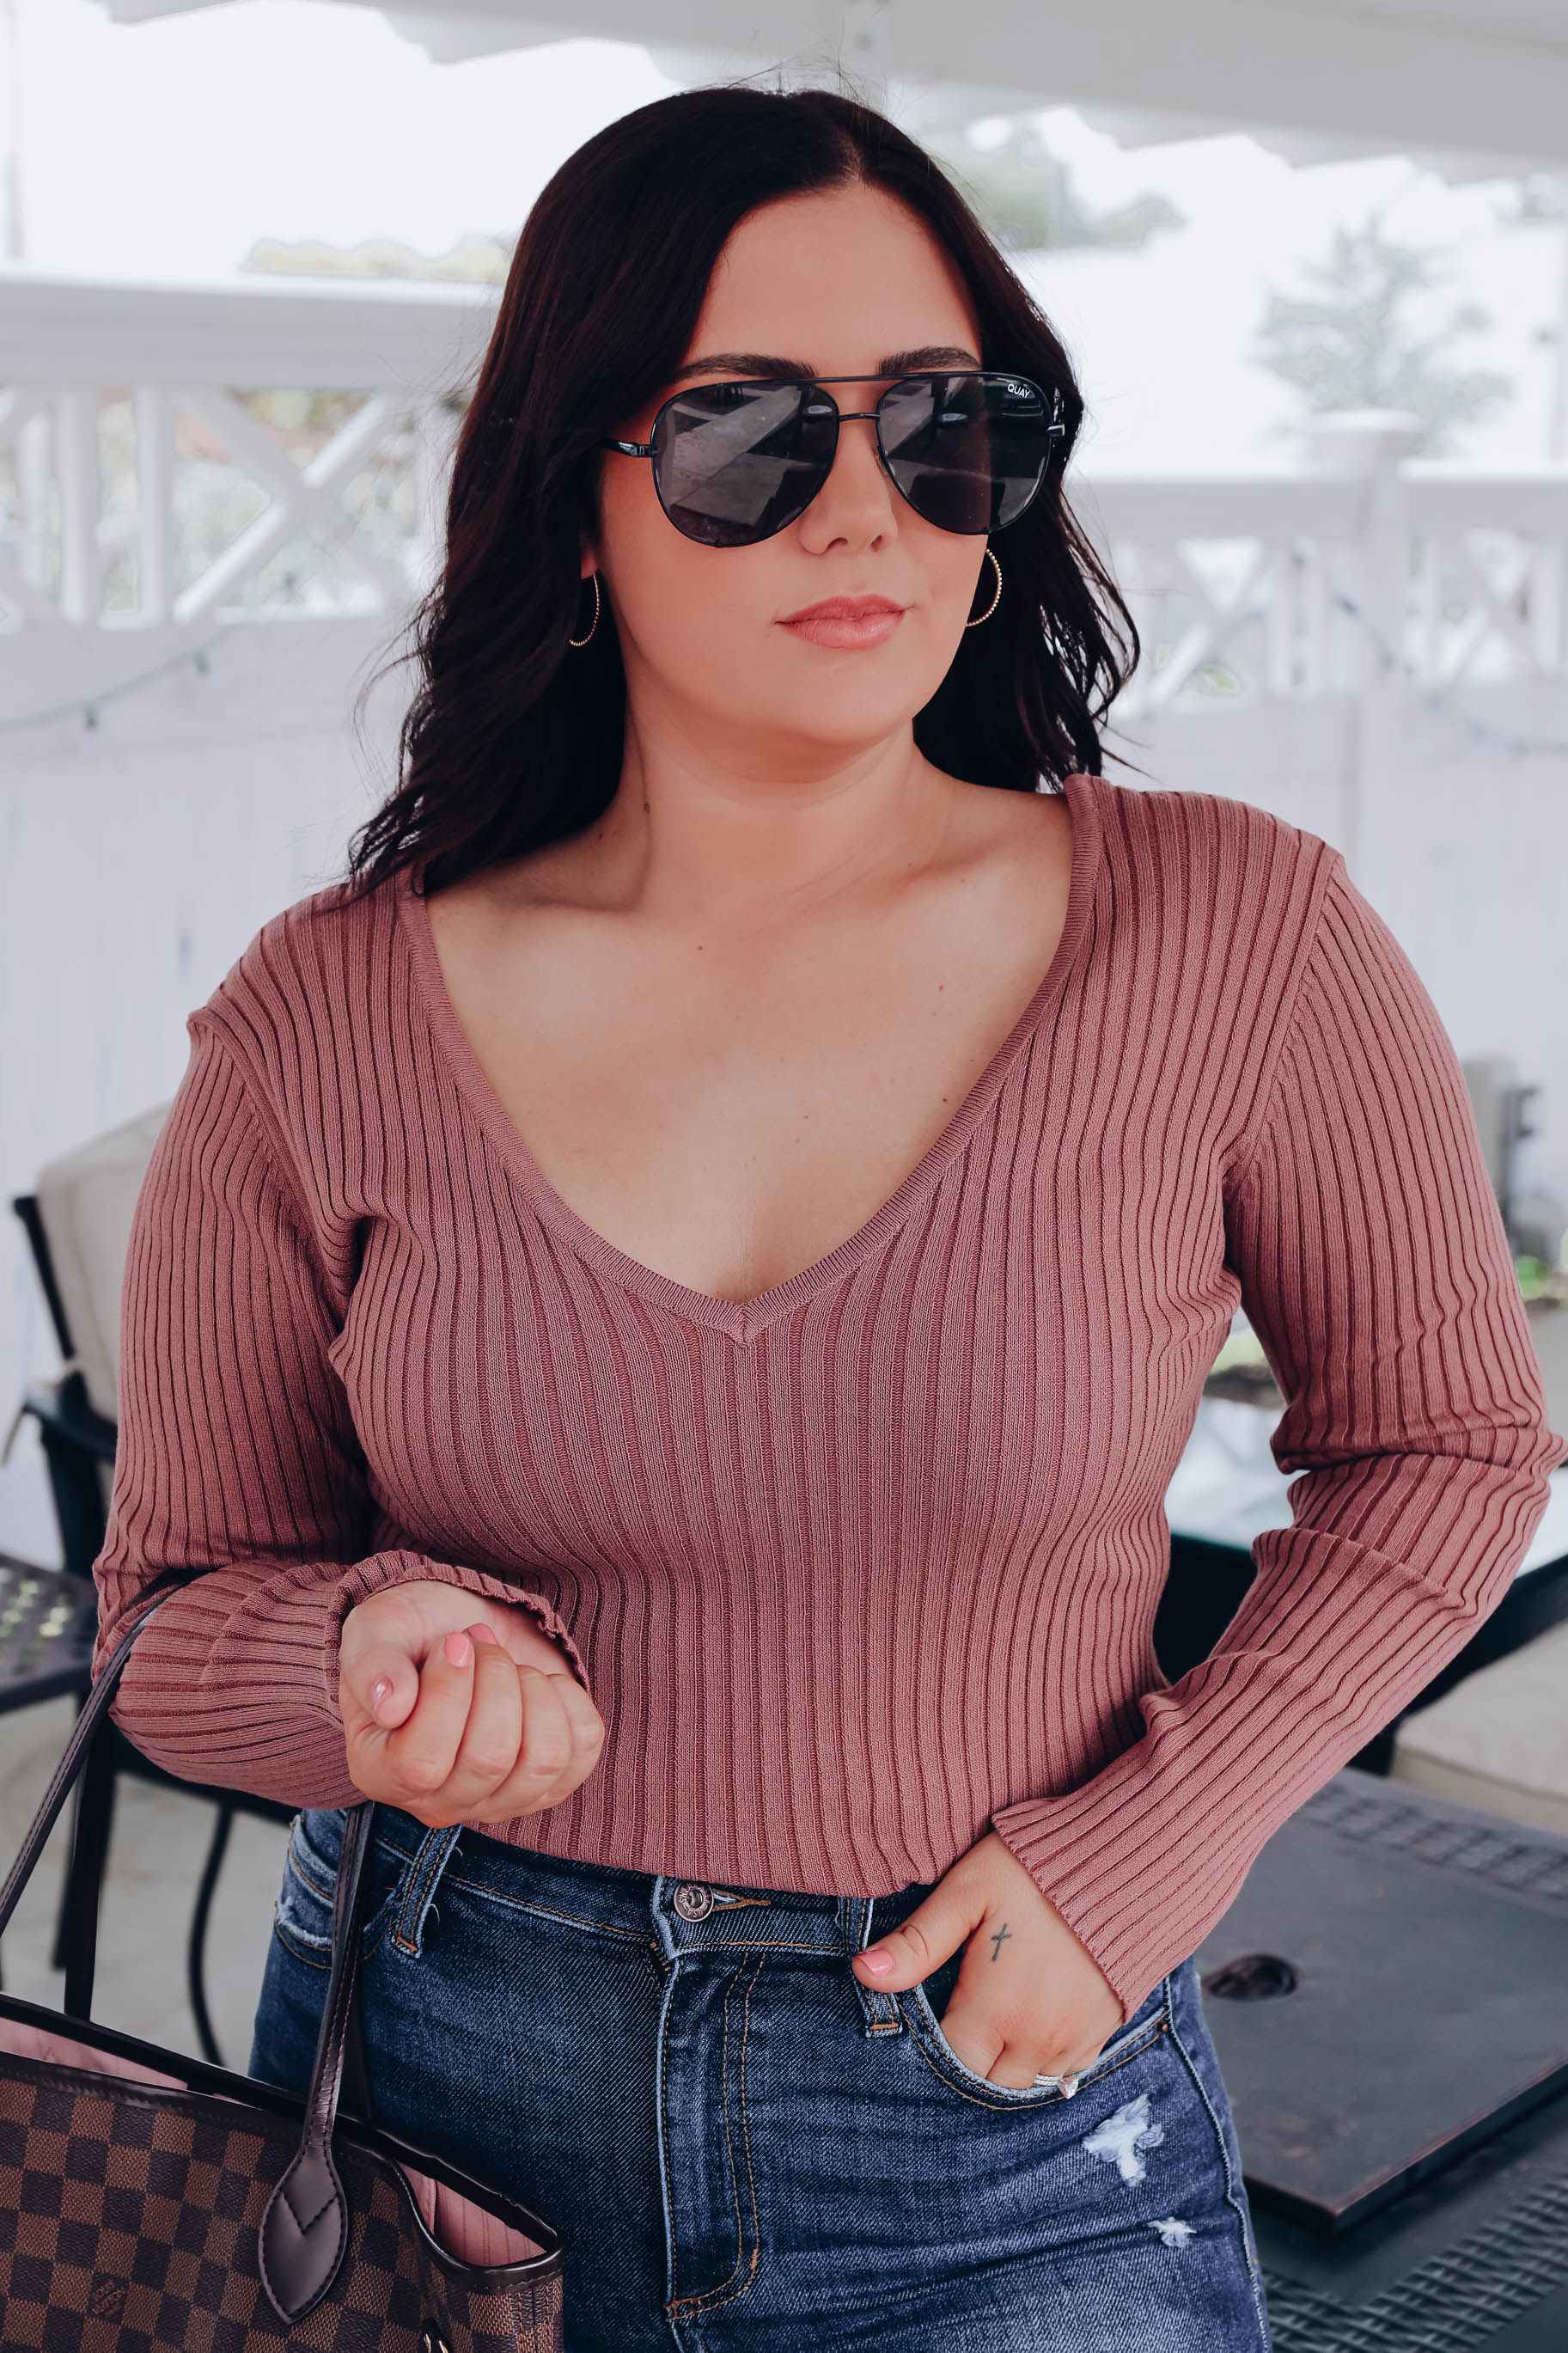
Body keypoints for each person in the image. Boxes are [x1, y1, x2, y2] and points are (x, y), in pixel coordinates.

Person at [94, 85, 1560, 2353]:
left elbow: (1445, 1445)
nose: (864, 504)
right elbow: (166, 1617)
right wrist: (356, 1666)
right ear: (570, 496)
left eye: (946, 424)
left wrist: (1155, 1844)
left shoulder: (1237, 935)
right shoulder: (325, 1016)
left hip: (1003, 2109)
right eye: (746, 430)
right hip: (424, 2094)